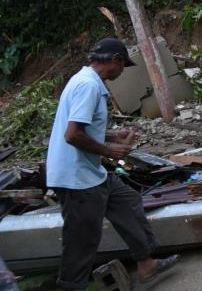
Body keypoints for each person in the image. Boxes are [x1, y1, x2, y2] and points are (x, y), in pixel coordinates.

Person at [46, 38, 178, 289]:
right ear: (115, 60)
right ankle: (71, 286)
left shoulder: (85, 81)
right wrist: (109, 149)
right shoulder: (88, 86)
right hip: (76, 178)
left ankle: (146, 262)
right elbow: (72, 134)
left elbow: (79, 126)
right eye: (122, 66)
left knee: (127, 202)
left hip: (90, 172)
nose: (121, 72)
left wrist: (110, 135)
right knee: (82, 239)